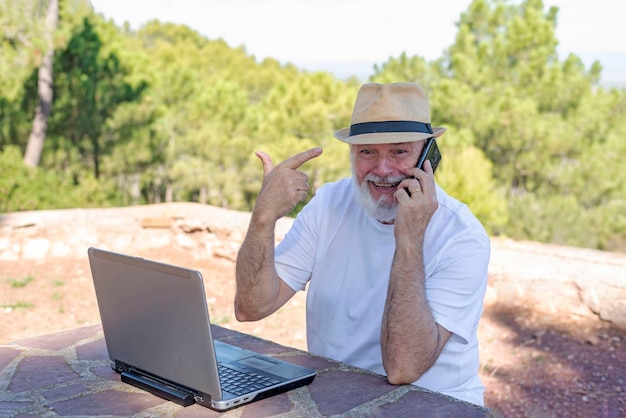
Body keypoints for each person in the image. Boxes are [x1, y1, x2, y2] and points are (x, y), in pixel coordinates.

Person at [234, 82, 490, 406]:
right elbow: (251, 307)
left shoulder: (462, 236)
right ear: (352, 154)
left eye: (399, 151)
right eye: (367, 152)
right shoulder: (329, 203)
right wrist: (262, 220)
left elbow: (403, 368)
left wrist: (409, 238)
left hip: (435, 405)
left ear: (428, 156)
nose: (382, 170)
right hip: (336, 398)